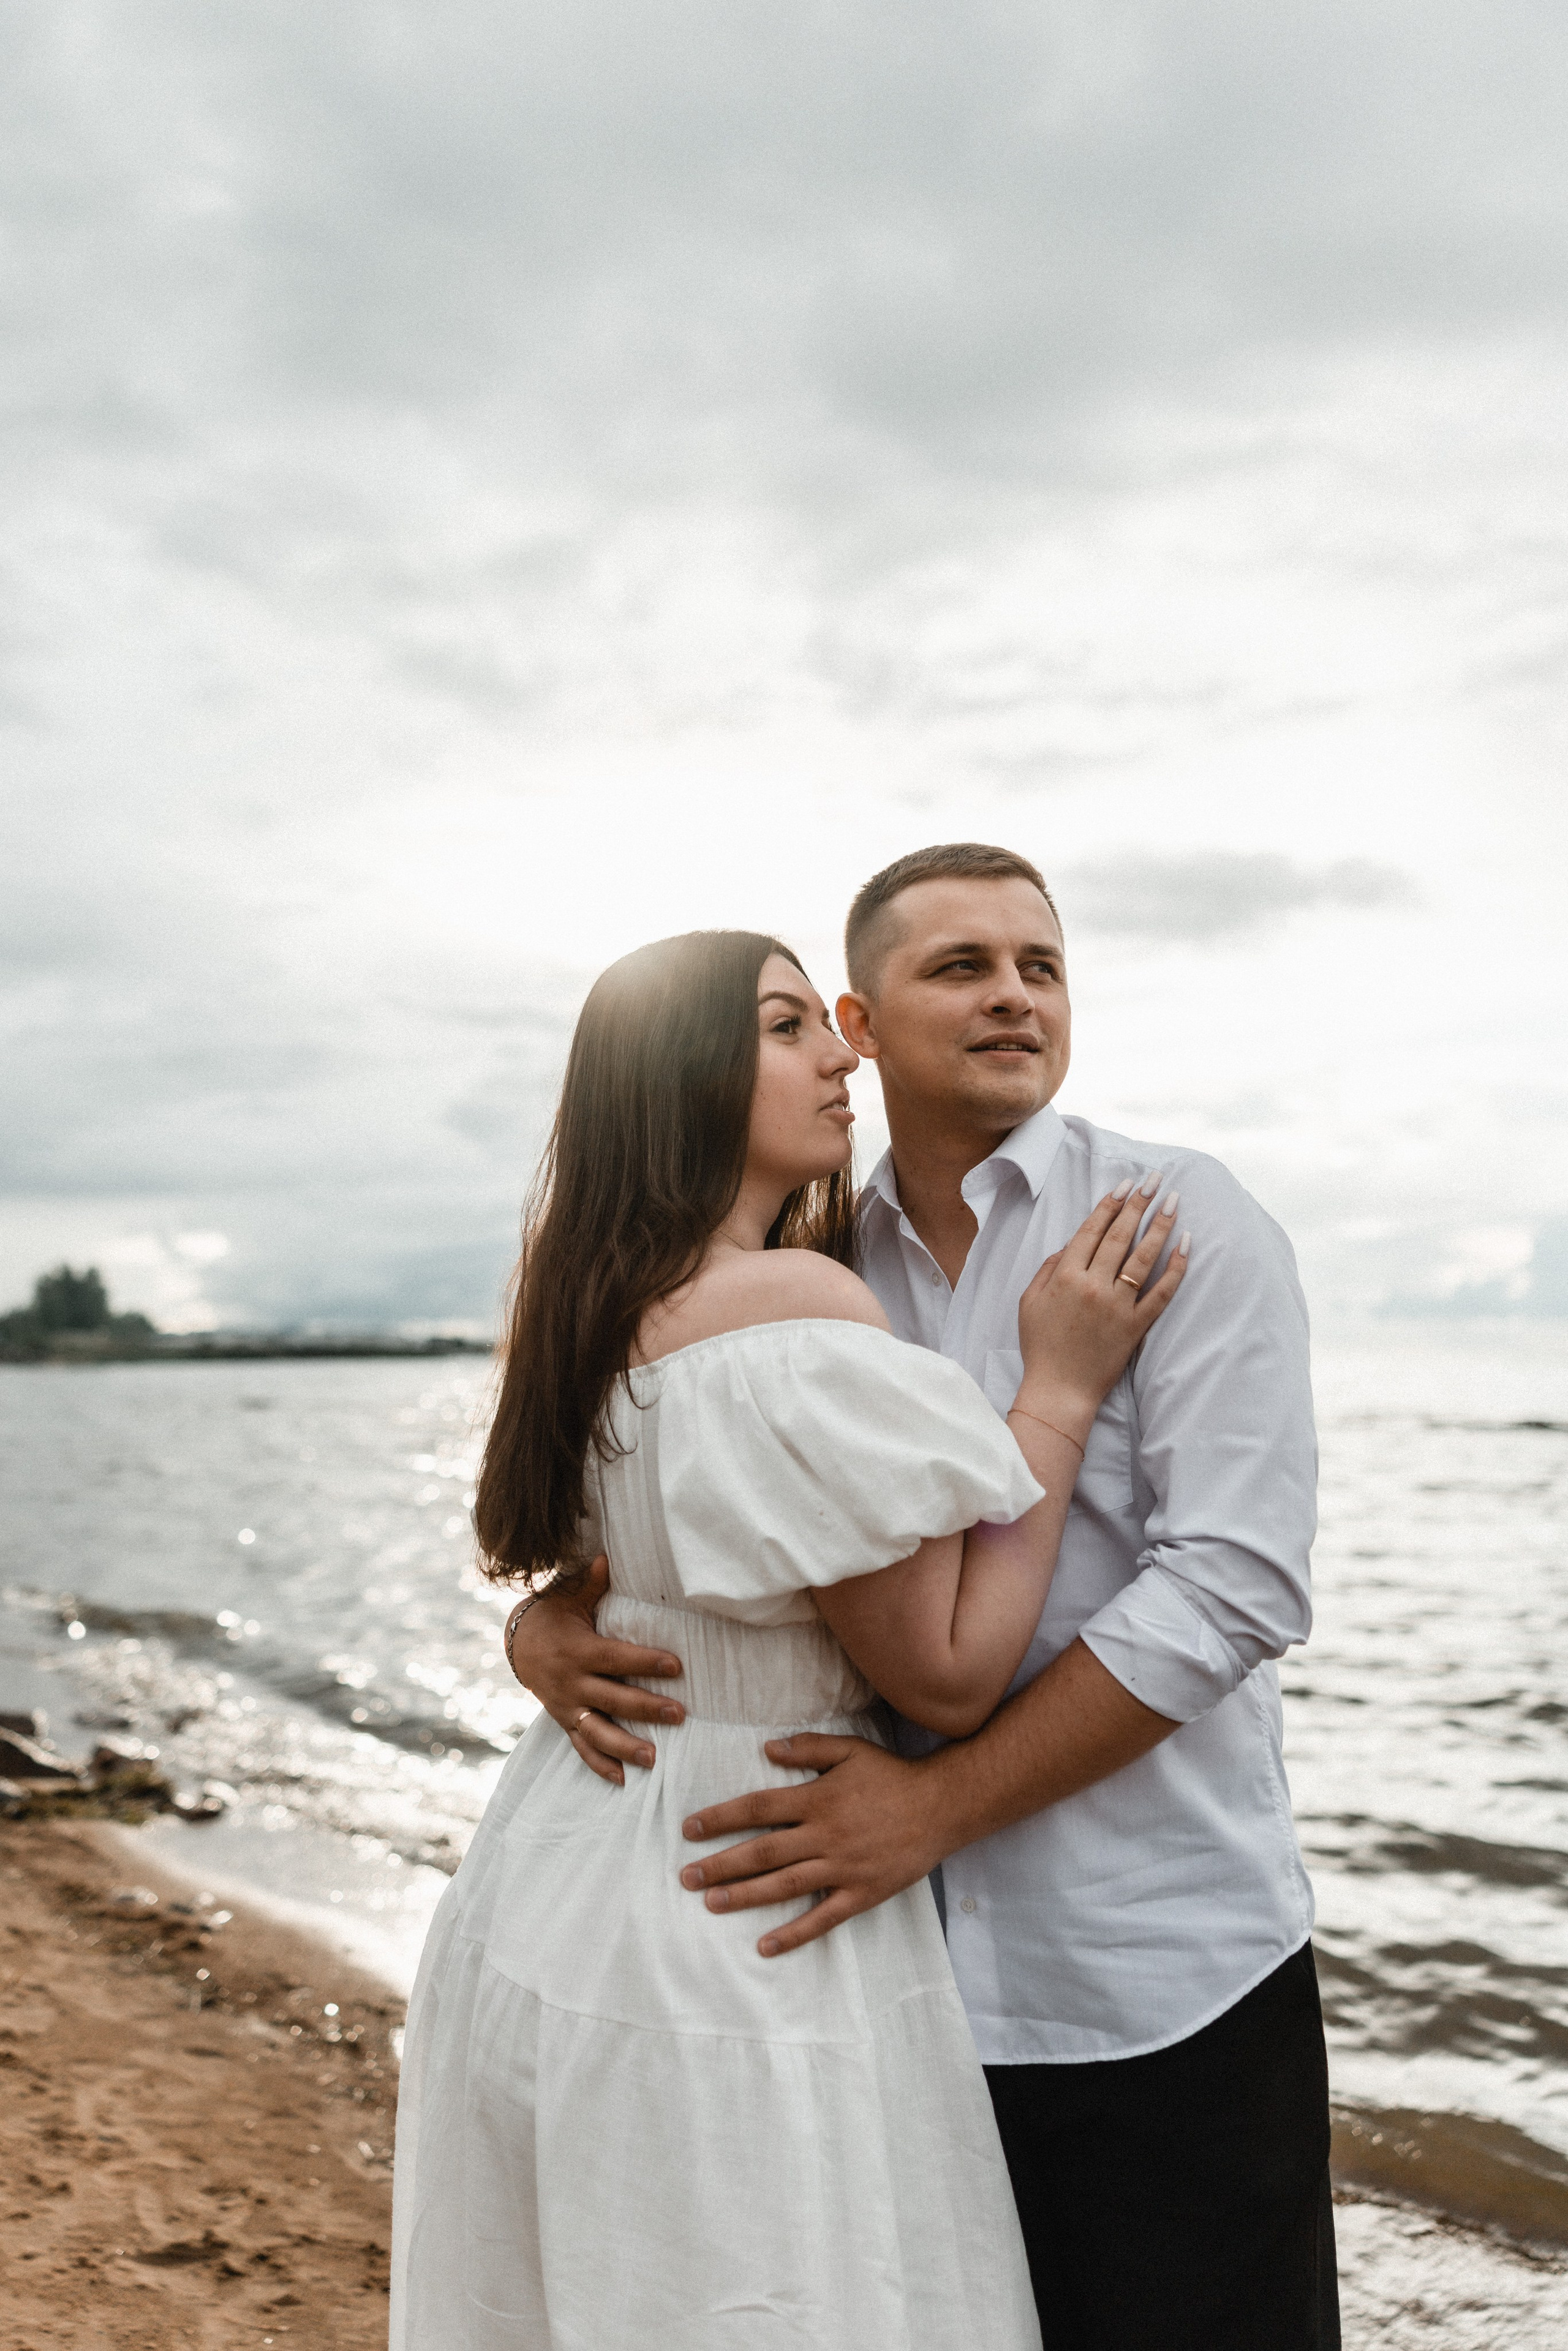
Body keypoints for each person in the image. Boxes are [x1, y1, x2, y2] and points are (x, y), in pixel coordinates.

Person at [514, 845, 1338, 2351]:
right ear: (861, 1021)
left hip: (1149, 1972)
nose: (1014, 995)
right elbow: (667, 1518)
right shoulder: (806, 1263)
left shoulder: (1175, 1220)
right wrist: (548, 1622)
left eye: (1042, 963)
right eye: (960, 966)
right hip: (861, 1984)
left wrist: (935, 1806)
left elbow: (1230, 1586)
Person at [390, 924, 1186, 2351]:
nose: (838, 1053)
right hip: (740, 1883)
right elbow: (943, 1668)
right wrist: (1057, 1388)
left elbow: (584, 1576)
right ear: (679, 1077)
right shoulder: (802, 1308)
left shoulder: (589, 1312)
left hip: (552, 1870)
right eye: (784, 1027)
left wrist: (533, 1628)